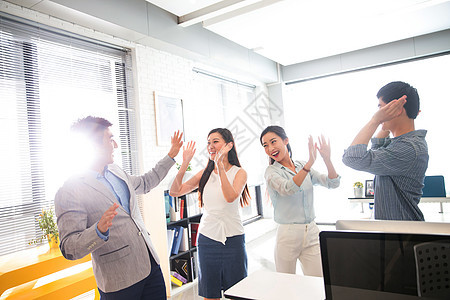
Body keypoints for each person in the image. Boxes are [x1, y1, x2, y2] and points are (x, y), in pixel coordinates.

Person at [54, 116, 183, 299]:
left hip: (149, 266)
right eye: (110, 138)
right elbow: (69, 247)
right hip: (118, 281)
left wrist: (171, 155)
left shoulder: (115, 170)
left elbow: (146, 183)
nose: (115, 145)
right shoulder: (70, 190)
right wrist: (98, 230)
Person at [169, 128, 250, 300]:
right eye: (208, 142)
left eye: (215, 141)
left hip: (233, 238)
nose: (211, 146)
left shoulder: (239, 172)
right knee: (210, 294)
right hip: (208, 239)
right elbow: (175, 192)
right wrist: (185, 163)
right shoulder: (204, 174)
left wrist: (220, 166)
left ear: (229, 145)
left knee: (238, 292)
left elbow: (230, 197)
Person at [260, 125, 340, 276]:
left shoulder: (302, 165)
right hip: (288, 233)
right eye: (265, 145)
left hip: (311, 231)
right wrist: (309, 164)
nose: (270, 148)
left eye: (273, 142)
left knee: (318, 281)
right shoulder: (271, 172)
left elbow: (332, 183)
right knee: (286, 283)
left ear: (285, 141)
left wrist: (327, 160)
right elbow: (287, 188)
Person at [342, 81, 428, 221]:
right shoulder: (401, 144)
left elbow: (352, 158)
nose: (379, 112)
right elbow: (376, 149)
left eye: (381, 107)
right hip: (396, 233)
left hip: (402, 236)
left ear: (397, 109)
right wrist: (384, 125)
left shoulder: (408, 148)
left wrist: (375, 120)